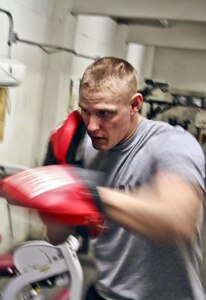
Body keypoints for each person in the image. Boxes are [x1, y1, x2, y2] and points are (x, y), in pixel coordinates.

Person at [43, 57, 206, 299]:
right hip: (106, 292)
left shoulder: (172, 144)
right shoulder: (89, 148)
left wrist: (83, 190)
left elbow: (179, 220)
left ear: (134, 104)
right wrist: (50, 190)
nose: (92, 126)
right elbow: (57, 236)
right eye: (85, 111)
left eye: (105, 114)